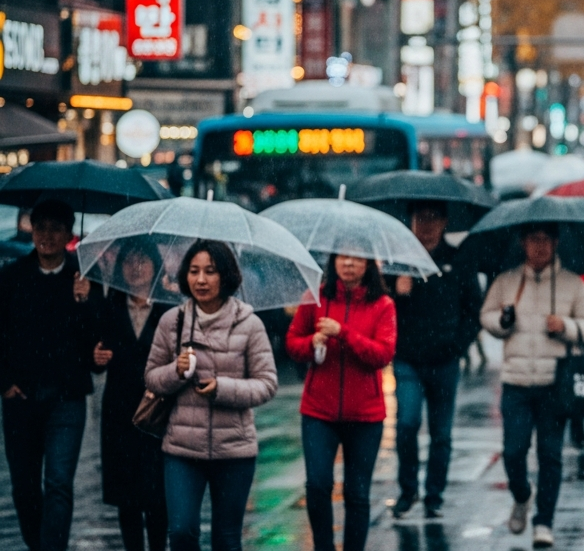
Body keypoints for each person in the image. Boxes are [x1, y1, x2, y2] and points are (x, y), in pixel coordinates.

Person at [145, 240, 278, 551]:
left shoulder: (250, 324)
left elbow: (267, 383)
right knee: (180, 532)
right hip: (181, 449)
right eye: (193, 271)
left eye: (210, 271)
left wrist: (222, 388)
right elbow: (151, 377)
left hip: (234, 450)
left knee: (227, 539)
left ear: (226, 276)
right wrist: (174, 372)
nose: (201, 280)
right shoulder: (172, 322)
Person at [480, 224, 584, 549]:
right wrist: (502, 322)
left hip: (554, 385)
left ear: (556, 242)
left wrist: (567, 326)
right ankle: (522, 495)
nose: (539, 246)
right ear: (523, 242)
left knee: (550, 455)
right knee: (514, 451)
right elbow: (486, 316)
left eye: (546, 240)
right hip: (516, 383)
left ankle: (543, 521)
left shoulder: (572, 283)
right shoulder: (507, 281)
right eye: (533, 239)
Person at [0, 199, 100, 551]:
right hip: (20, 398)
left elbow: (97, 349)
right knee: (25, 487)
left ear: (69, 234)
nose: (47, 236)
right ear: (32, 230)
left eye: (56, 229)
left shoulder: (84, 277)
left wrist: (85, 302)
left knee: (58, 482)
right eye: (41, 227)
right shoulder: (11, 277)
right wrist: (5, 383)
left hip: (66, 398)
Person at [286, 255, 396, 551]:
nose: (349, 263)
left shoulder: (382, 304)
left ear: (368, 265)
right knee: (318, 485)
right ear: (334, 261)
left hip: (366, 416)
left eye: (357, 258)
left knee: (357, 493)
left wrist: (343, 333)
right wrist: (312, 343)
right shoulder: (316, 297)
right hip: (318, 411)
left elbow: (383, 354)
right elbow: (292, 342)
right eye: (343, 256)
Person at [389, 201, 483, 519]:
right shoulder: (399, 261)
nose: (426, 225)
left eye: (432, 219)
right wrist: (394, 290)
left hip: (445, 361)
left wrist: (457, 346)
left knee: (441, 433)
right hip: (407, 360)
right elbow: (381, 307)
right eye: (420, 218)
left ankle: (434, 495)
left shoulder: (458, 261)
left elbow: (474, 310)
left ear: (443, 222)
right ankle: (407, 490)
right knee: (407, 423)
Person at [92, 241, 174, 551]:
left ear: (155, 265)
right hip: (120, 412)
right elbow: (94, 352)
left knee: (157, 495)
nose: (136, 267)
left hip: (158, 411)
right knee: (126, 497)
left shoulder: (170, 309)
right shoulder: (108, 306)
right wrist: (95, 358)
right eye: (129, 261)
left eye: (143, 260)